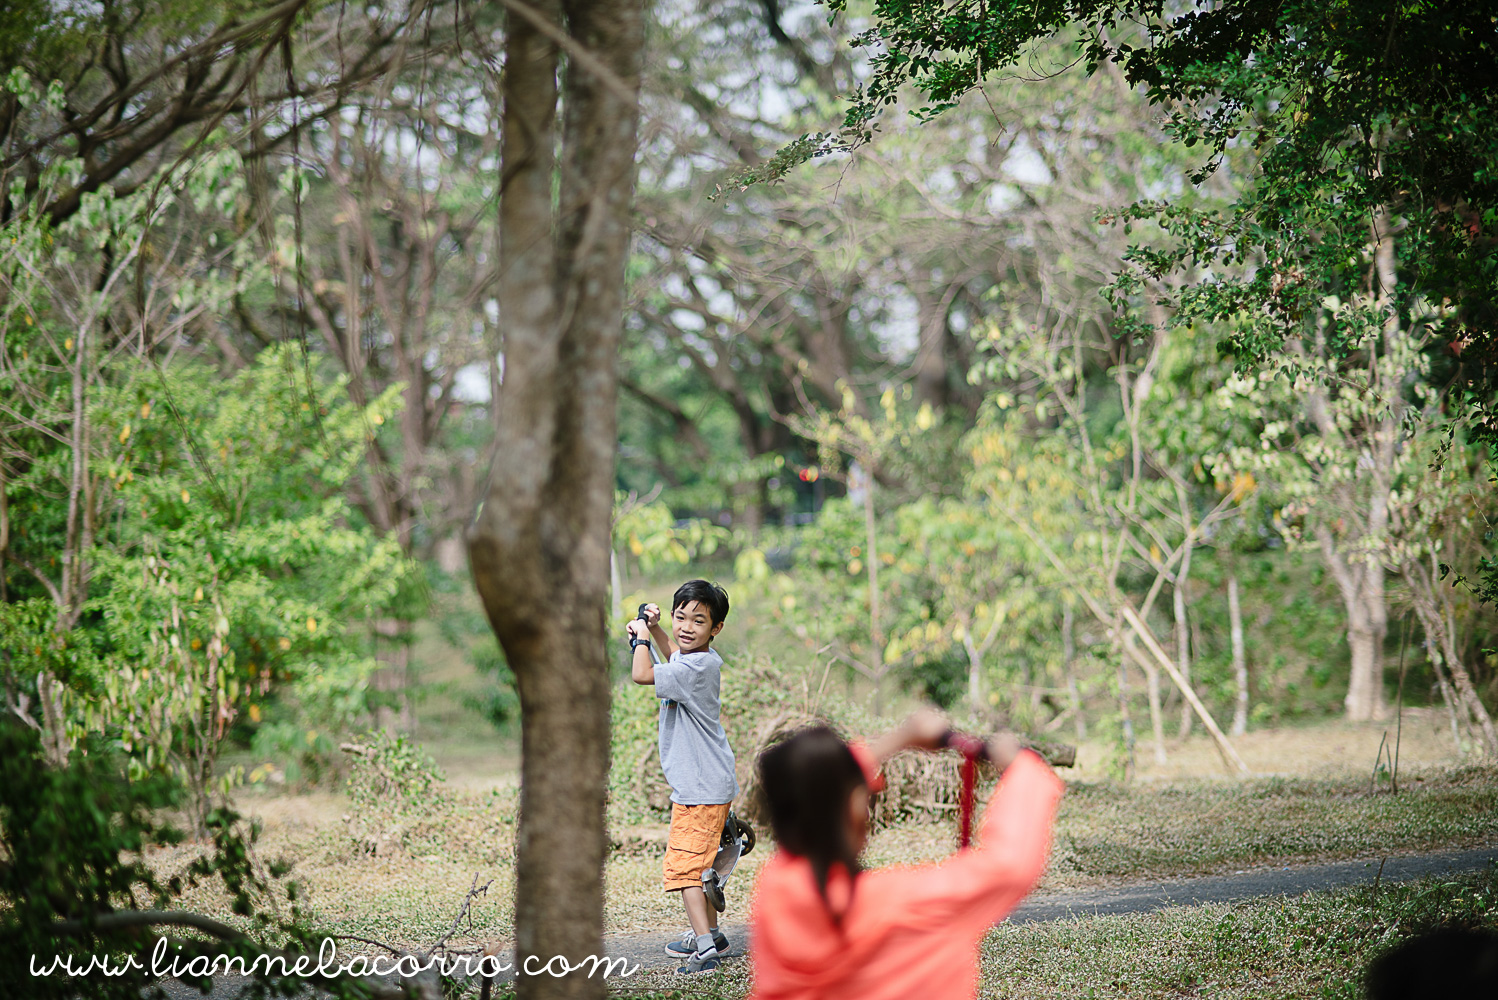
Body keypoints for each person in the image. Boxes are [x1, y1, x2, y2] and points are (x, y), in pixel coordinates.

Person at [748, 710, 1064, 1000]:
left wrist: (900, 739)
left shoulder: (775, 888)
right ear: (853, 813)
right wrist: (1022, 766)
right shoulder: (904, 903)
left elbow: (816, 786)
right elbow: (1009, 864)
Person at [626, 579, 739, 974]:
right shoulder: (699, 661)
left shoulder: (695, 669)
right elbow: (674, 655)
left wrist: (640, 638)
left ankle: (706, 950)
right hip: (709, 782)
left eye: (699, 620)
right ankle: (712, 932)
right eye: (680, 617)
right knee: (704, 866)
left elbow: (643, 674)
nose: (686, 627)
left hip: (700, 788)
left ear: (716, 628)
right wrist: (654, 629)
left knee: (687, 870)